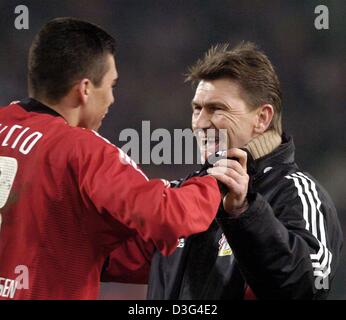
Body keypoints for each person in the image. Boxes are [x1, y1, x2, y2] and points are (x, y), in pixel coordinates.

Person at [0, 18, 230, 300]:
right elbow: (166, 215)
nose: (111, 98)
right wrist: (212, 181)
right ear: (84, 89)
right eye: (111, 85)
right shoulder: (82, 151)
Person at [147, 42, 343, 299]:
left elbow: (308, 285)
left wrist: (244, 212)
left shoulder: (299, 195)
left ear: (262, 118)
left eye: (217, 108)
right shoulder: (188, 193)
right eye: (197, 109)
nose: (201, 123)